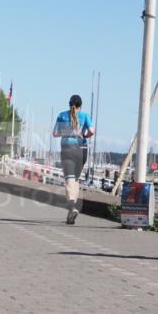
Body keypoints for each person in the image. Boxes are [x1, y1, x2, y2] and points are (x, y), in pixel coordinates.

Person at [52, 95, 94, 224]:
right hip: (82, 149)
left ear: (69, 104)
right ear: (80, 105)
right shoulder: (85, 116)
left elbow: (55, 133)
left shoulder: (62, 115)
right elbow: (92, 131)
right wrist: (84, 136)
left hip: (68, 149)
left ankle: (72, 208)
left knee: (69, 180)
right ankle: (70, 214)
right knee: (75, 180)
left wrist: (68, 132)